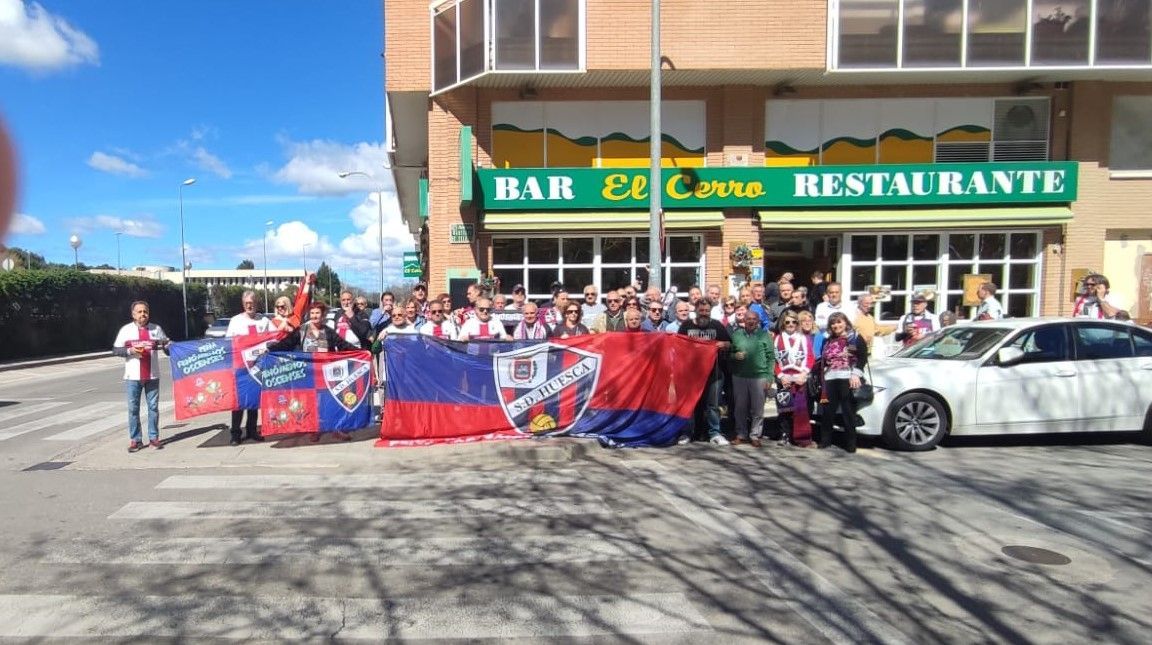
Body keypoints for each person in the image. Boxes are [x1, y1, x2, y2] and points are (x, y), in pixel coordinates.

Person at [267, 301, 359, 443]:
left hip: (325, 373)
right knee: (310, 402)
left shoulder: (328, 331)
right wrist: (271, 350)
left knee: (329, 402)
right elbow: (287, 343)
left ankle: (336, 428)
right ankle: (313, 429)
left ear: (323, 316)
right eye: (313, 313)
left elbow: (342, 344)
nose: (315, 316)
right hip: (308, 373)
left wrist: (360, 352)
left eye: (318, 313)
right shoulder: (302, 330)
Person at [113, 301, 170, 453]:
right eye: (139, 312)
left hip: (152, 375)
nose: (143, 314)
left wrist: (168, 346)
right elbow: (116, 350)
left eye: (145, 311)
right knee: (133, 409)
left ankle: (154, 437)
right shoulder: (126, 330)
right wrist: (130, 351)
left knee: (153, 408)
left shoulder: (156, 329)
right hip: (133, 376)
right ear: (133, 314)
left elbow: (166, 348)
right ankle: (136, 440)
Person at [677, 300, 733, 446]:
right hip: (691, 374)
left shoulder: (717, 326)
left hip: (714, 374)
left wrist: (724, 345)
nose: (704, 313)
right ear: (695, 310)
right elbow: (678, 346)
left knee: (713, 405)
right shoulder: (686, 326)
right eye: (701, 310)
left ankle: (715, 433)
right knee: (689, 404)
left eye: (707, 310)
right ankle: (686, 433)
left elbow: (729, 344)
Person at [226, 290, 275, 445]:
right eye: (247, 303)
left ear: (256, 303)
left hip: (257, 366)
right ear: (243, 304)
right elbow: (228, 342)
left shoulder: (264, 321)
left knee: (253, 399)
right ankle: (235, 433)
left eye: (252, 303)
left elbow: (274, 337)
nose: (249, 305)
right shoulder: (235, 321)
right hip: (240, 367)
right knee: (238, 402)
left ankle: (252, 430)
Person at [818, 312, 868, 453]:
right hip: (830, 378)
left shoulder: (855, 337)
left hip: (847, 378)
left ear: (846, 322)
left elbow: (862, 357)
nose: (836, 325)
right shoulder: (828, 340)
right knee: (827, 412)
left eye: (839, 322)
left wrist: (856, 374)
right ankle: (825, 441)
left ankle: (851, 444)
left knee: (848, 412)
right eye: (833, 323)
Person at [728, 308, 775, 447]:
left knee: (758, 408)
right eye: (748, 319)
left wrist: (769, 377)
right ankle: (741, 434)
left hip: (759, 376)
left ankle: (755, 435)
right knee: (740, 408)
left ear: (758, 321)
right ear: (744, 320)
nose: (751, 321)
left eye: (754, 319)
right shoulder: (736, 335)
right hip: (740, 376)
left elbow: (771, 357)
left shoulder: (764, 335)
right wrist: (734, 356)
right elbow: (729, 354)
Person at [775, 312, 816, 447]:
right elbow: (774, 361)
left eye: (793, 322)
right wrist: (781, 376)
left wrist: (804, 374)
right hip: (784, 378)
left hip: (800, 378)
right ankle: (784, 435)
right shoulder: (777, 339)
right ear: (783, 324)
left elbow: (810, 358)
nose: (791, 325)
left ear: (797, 324)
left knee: (800, 409)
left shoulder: (804, 338)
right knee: (784, 409)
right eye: (787, 322)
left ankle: (800, 437)